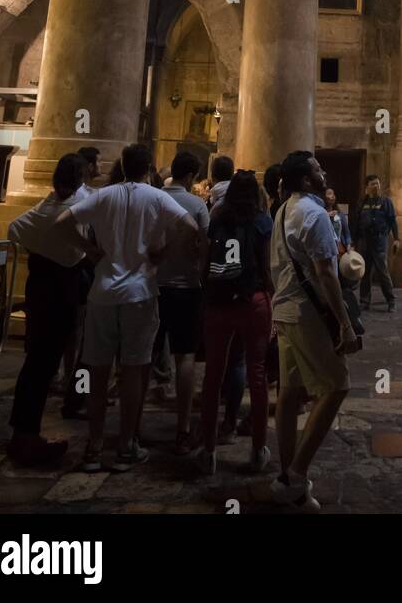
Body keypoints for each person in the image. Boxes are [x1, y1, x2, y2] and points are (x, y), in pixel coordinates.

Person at [54, 142, 200, 472]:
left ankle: (93, 446)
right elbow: (190, 226)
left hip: (102, 292)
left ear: (122, 164)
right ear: (148, 167)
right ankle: (125, 445)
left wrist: (90, 250)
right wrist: (164, 253)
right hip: (139, 293)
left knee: (98, 370)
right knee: (134, 371)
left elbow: (62, 220)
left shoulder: (104, 196)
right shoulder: (158, 196)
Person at [270, 151, 360, 511]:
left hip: (285, 309)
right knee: (337, 386)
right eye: (318, 169)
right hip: (307, 314)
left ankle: (288, 479)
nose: (324, 171)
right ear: (307, 180)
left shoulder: (282, 211)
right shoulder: (314, 213)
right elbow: (326, 273)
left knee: (290, 393)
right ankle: (296, 472)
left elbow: (273, 265)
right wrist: (344, 323)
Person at [7, 154, 90, 466]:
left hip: (39, 285)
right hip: (59, 290)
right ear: (80, 177)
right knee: (42, 364)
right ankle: (27, 438)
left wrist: (39, 249)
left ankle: (23, 433)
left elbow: (16, 229)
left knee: (36, 364)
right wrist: (77, 253)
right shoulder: (70, 207)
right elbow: (72, 250)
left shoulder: (48, 203)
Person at [198, 170, 274, 476]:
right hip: (252, 299)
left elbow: (205, 259)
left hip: (219, 300)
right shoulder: (261, 220)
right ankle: (257, 450)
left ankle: (209, 450)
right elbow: (266, 265)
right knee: (256, 374)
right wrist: (269, 292)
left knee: (213, 374)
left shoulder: (217, 218)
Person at [152, 150, 210, 455]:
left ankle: (131, 428)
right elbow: (207, 245)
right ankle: (183, 427)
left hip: (151, 286)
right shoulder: (196, 204)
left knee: (142, 357)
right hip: (186, 287)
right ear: (190, 177)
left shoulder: (152, 198)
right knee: (185, 356)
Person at [355, 174, 399, 312]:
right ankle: (364, 301)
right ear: (367, 187)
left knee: (382, 272)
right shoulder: (362, 202)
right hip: (365, 242)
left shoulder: (386, 202)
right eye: (373, 184)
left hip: (380, 241)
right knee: (365, 273)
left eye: (378, 184)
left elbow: (392, 221)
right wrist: (353, 241)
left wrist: (397, 239)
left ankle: (391, 301)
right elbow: (356, 223)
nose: (376, 186)